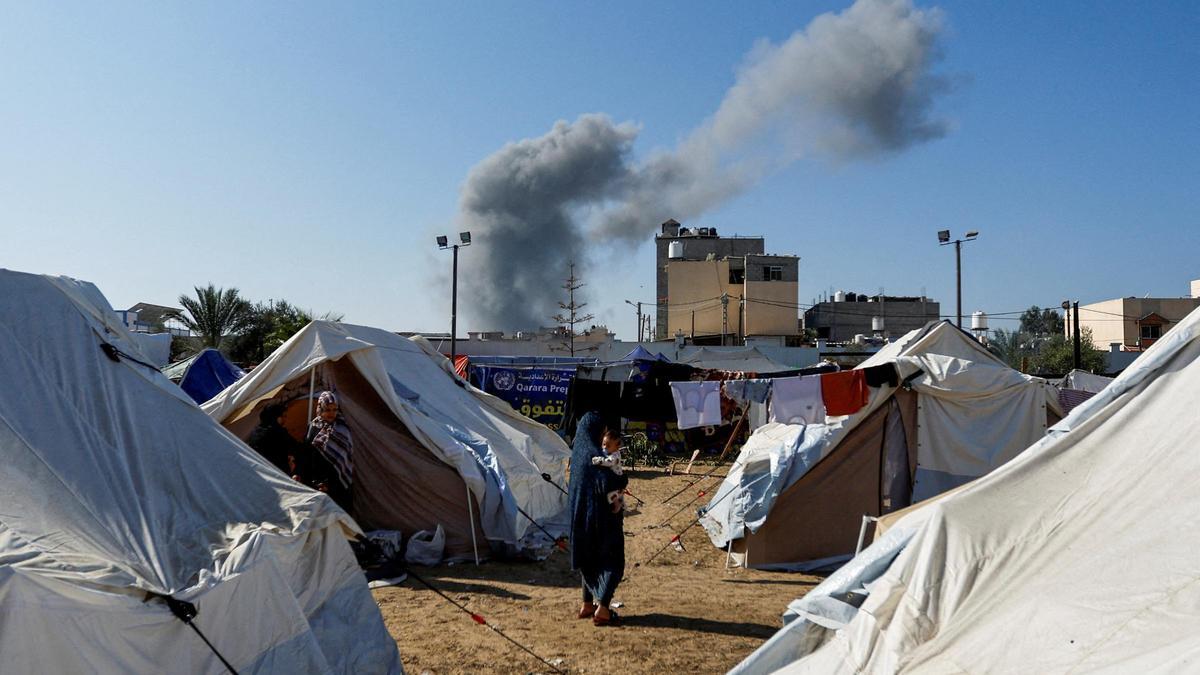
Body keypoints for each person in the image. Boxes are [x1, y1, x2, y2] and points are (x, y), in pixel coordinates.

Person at [568, 412, 628, 627]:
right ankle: (602, 609)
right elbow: (608, 483)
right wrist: (622, 479)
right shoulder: (594, 456)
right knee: (611, 560)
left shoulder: (578, 454)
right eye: (602, 432)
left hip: (579, 518)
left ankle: (587, 604)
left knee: (588, 557)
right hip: (601, 519)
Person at [306, 391, 354, 509]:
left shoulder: (342, 429)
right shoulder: (313, 426)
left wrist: (330, 482)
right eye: (327, 410)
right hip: (319, 478)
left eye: (334, 410)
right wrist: (318, 480)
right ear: (320, 409)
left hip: (338, 480)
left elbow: (347, 456)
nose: (331, 414)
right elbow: (309, 453)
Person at [246, 403, 298, 475]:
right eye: (283, 416)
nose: (285, 419)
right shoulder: (277, 432)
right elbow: (294, 448)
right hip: (277, 472)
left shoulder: (256, 431)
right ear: (276, 417)